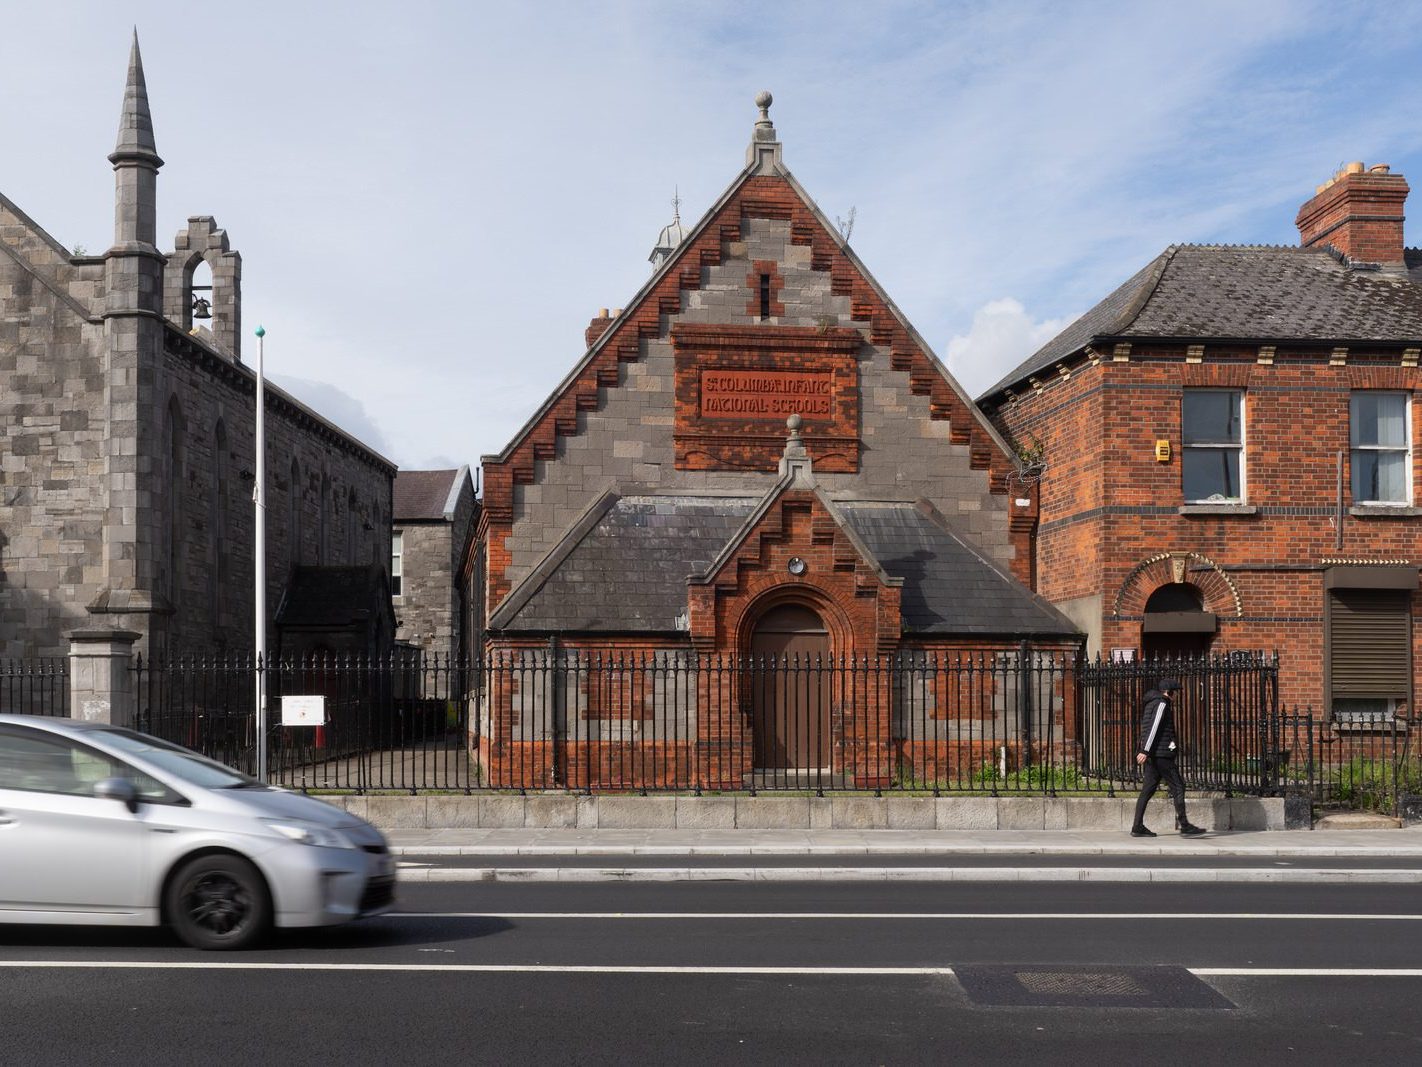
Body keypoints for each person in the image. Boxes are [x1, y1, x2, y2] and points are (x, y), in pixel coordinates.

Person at [1131, 678, 1205, 837]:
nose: (1177, 696)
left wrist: (1147, 749)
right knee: (1178, 786)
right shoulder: (1162, 704)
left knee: (1147, 790)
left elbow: (1148, 729)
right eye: (1175, 693)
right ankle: (1184, 825)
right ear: (1169, 692)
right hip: (1160, 755)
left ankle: (1137, 826)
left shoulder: (1152, 703)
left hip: (1157, 754)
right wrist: (1144, 750)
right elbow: (1153, 728)